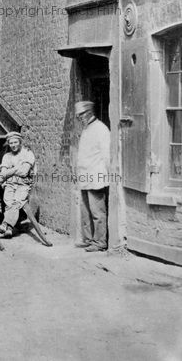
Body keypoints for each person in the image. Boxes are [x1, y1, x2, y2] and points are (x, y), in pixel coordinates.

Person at [74, 100, 110, 252]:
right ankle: (88, 239)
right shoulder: (86, 129)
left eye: (81, 115)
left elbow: (107, 154)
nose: (79, 118)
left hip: (96, 175)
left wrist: (108, 176)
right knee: (85, 210)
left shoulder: (101, 129)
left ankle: (100, 242)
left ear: (89, 113)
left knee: (97, 211)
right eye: (78, 116)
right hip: (84, 176)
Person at [0, 131, 36, 239]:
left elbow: (24, 172)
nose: (13, 145)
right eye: (11, 143)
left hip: (23, 184)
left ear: (20, 142)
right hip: (10, 184)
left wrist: (10, 170)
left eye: (15, 142)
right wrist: (17, 167)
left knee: (16, 202)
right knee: (8, 202)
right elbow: (3, 174)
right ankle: (9, 228)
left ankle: (5, 224)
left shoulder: (28, 154)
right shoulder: (7, 156)